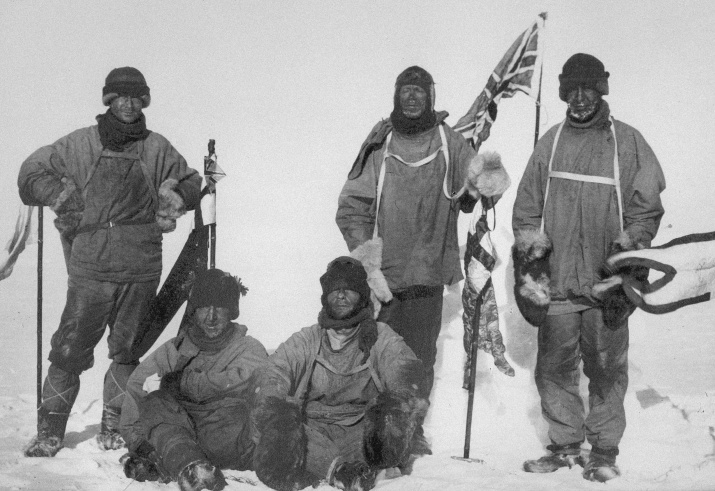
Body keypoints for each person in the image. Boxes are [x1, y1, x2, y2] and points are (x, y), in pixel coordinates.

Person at [18, 67, 202, 457]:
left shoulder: (156, 148)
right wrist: (59, 195)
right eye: (121, 97)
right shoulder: (80, 145)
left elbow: (190, 181)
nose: (129, 104)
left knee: (127, 351)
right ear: (108, 100)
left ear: (144, 102)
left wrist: (175, 199)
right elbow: (31, 173)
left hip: (141, 266)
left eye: (136, 98)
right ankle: (50, 429)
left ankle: (114, 426)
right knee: (70, 349)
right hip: (91, 268)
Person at [511, 53, 666, 482]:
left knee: (606, 365)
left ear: (602, 91)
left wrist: (629, 253)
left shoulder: (627, 142)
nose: (580, 98)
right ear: (563, 93)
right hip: (559, 281)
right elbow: (526, 207)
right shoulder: (553, 140)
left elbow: (646, 207)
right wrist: (533, 256)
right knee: (554, 365)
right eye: (572, 90)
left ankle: (602, 451)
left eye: (588, 89)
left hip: (605, 281)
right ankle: (563, 445)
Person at [335, 66, 510, 405]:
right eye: (406, 90)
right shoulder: (381, 143)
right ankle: (371, 433)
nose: (412, 97)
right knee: (375, 358)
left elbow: (481, 190)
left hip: (427, 275)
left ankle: (409, 431)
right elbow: (352, 207)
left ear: (431, 96)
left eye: (420, 90)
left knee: (418, 362)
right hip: (383, 279)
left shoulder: (449, 142)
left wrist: (487, 177)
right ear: (396, 96)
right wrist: (367, 263)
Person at [252, 257, 430, 491]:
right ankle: (340, 471)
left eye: (350, 289)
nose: (341, 295)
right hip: (313, 431)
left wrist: (395, 408)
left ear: (363, 296)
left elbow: (405, 371)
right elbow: (274, 370)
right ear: (325, 296)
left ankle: (354, 469)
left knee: (382, 436)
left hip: (359, 430)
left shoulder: (380, 337)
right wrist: (274, 406)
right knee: (276, 427)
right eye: (335, 289)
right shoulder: (309, 339)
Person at [118, 268, 268, 491]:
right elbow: (137, 389)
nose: (211, 316)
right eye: (204, 307)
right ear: (194, 311)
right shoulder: (177, 349)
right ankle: (187, 464)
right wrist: (140, 444)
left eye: (220, 307)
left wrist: (181, 383)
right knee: (155, 400)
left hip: (230, 439)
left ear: (232, 311)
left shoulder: (248, 348)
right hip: (184, 437)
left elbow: (244, 381)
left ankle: (174, 461)